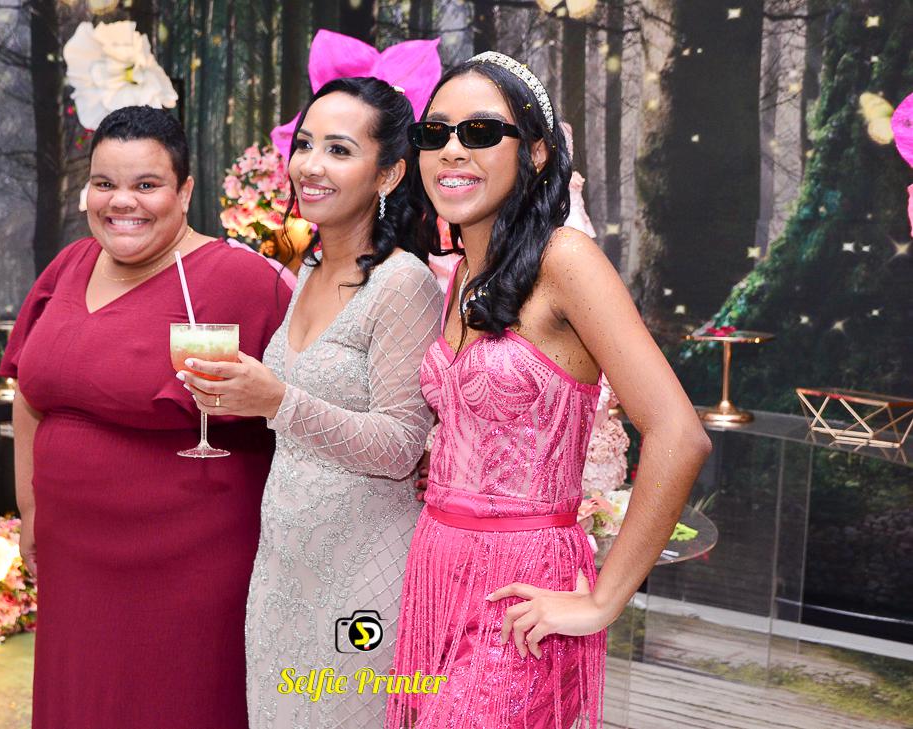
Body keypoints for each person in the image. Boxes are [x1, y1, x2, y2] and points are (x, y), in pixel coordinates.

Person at [387, 53, 712, 729]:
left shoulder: (566, 260)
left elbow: (679, 435)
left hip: (523, 587)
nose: (452, 149)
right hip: (436, 570)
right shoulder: (463, 275)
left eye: (481, 132)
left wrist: (602, 601)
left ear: (535, 152)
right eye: (435, 133)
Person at [0, 106, 291, 729]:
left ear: (184, 192)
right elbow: (28, 394)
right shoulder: (69, 265)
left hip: (193, 563)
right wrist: (30, 508)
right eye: (104, 183)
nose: (122, 202)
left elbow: (297, 409)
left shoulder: (241, 278)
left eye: (147, 184)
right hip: (73, 555)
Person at [179, 77, 443, 728]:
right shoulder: (311, 271)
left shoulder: (403, 283)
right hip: (283, 565)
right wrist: (243, 396)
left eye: (339, 149)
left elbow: (400, 445)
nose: (311, 165)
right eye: (304, 144)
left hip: (363, 577)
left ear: (389, 173)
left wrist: (278, 400)